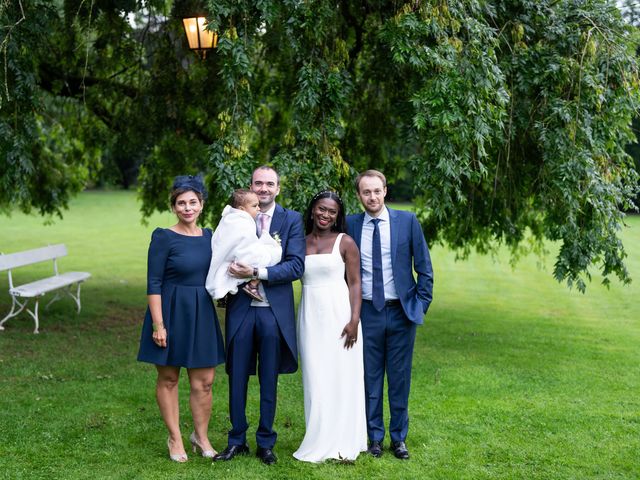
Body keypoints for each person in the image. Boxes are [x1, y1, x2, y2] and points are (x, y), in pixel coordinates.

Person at [213, 165, 305, 465]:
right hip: (240, 308)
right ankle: (236, 439)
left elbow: (295, 265)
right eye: (258, 184)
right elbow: (221, 250)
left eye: (269, 184)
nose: (264, 188)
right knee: (236, 376)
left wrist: (257, 271)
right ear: (251, 187)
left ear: (278, 188)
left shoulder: (291, 219)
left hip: (272, 313)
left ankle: (266, 441)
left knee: (269, 378)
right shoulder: (237, 218)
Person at [137, 175, 225, 462]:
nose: (187, 208)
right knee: (169, 377)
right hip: (171, 311)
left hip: (201, 311)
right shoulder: (164, 236)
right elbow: (154, 283)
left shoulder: (211, 237)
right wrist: (158, 324)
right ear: (174, 207)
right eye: (181, 203)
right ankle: (175, 438)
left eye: (192, 202)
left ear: (201, 205)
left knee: (205, 381)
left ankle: (200, 436)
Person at [346, 169, 433, 460]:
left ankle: (398, 438)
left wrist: (419, 306)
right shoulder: (350, 225)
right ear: (359, 196)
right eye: (365, 192)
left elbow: (424, 269)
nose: (372, 197)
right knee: (370, 378)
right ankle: (374, 437)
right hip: (367, 312)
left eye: (376, 191)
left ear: (385, 191)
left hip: (400, 313)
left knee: (399, 378)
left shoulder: (407, 221)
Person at [293, 190, 367, 463]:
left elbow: (356, 283)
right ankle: (317, 436)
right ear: (313, 209)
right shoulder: (299, 243)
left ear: (338, 216)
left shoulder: (345, 242)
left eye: (332, 212)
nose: (325, 215)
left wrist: (354, 320)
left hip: (340, 316)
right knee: (315, 376)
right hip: (311, 316)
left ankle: (342, 438)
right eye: (321, 209)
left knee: (340, 376)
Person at [205, 189, 282, 302]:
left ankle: (248, 284)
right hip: (240, 258)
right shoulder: (242, 222)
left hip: (232, 257)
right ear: (242, 209)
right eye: (255, 206)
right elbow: (244, 245)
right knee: (274, 253)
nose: (258, 208)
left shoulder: (228, 218)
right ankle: (252, 284)